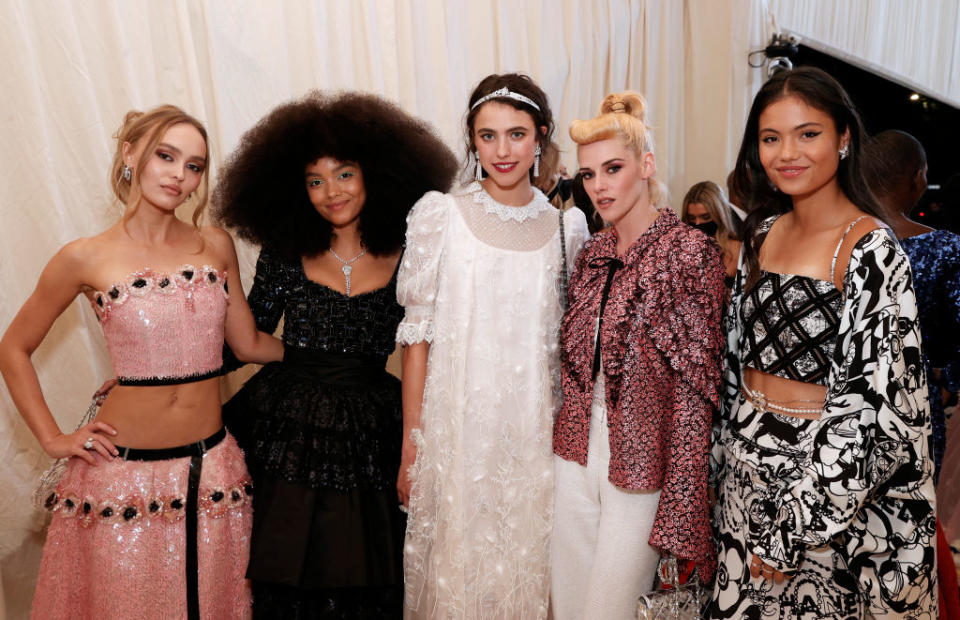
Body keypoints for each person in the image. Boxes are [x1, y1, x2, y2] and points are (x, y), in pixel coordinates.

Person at [0, 105, 284, 619]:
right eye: (166, 156)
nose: (180, 175)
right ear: (130, 154)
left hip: (211, 471)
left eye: (194, 165)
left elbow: (248, 345)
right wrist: (52, 438)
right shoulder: (84, 256)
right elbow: (13, 348)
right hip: (120, 476)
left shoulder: (215, 243)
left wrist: (333, 350)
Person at [214, 91, 457, 618]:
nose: (331, 192)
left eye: (344, 174)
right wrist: (162, 379)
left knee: (371, 573)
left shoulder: (412, 253)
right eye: (315, 180)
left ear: (375, 174)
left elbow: (435, 342)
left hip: (375, 425)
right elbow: (246, 339)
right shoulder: (285, 253)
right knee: (283, 568)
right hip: (287, 425)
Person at [711, 67, 938, 618]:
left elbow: (873, 410)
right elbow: (733, 364)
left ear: (843, 138)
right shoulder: (761, 234)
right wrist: (718, 477)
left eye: (808, 133)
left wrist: (794, 525)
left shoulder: (870, 249)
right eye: (771, 138)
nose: (787, 152)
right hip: (744, 489)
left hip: (823, 507)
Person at [396, 73, 590, 619]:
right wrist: (414, 442)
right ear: (472, 141)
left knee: (529, 577)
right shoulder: (441, 216)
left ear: (541, 137)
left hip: (535, 445)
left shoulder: (566, 229)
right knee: (459, 576)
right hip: (457, 439)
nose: (502, 151)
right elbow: (417, 339)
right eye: (488, 136)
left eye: (517, 134)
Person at [551, 92, 725, 619]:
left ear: (646, 166)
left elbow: (698, 394)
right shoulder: (592, 254)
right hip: (574, 451)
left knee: (610, 610)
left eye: (613, 169)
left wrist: (683, 507)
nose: (599, 186)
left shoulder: (689, 253)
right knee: (570, 605)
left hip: (643, 461)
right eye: (587, 174)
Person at [863, 130, 960, 616]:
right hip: (917, 412)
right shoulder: (944, 250)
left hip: (838, 416)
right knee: (904, 540)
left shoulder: (839, 242)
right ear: (918, 178)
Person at [681, 180, 743, 286]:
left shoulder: (736, 249)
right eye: (692, 218)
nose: (698, 223)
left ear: (719, 215)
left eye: (706, 217)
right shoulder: (682, 248)